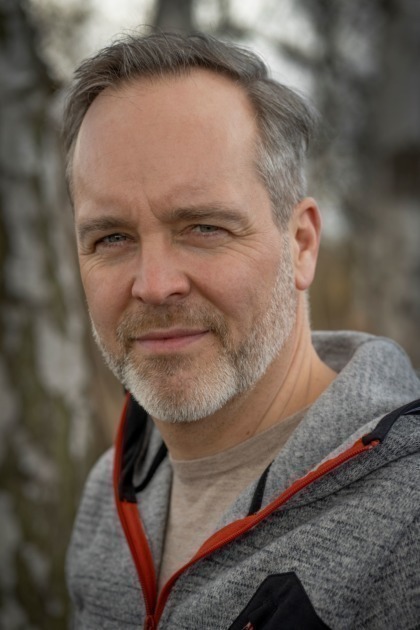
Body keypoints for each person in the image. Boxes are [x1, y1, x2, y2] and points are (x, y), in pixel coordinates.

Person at [63, 31, 420, 630]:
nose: (154, 284)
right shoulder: (107, 496)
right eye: (112, 237)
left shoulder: (407, 518)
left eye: (203, 228)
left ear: (301, 244)